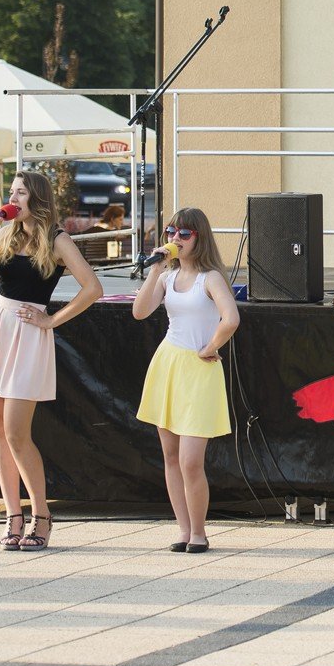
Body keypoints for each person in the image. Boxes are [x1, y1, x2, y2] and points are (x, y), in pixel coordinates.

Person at [0, 172, 103, 552]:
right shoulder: (5, 234)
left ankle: (41, 514)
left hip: (27, 333)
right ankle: (13, 515)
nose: (13, 198)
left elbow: (93, 288)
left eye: (20, 192)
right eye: (11, 192)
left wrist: (52, 320)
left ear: (36, 198)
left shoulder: (57, 239)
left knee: (16, 432)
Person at [131, 207, 239, 553]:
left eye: (184, 234)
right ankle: (183, 529)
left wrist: (211, 347)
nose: (175, 239)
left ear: (199, 237)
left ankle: (199, 531)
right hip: (169, 363)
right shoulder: (167, 278)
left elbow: (231, 318)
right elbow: (139, 311)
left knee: (191, 460)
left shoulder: (211, 278)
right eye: (171, 232)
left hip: (199, 368)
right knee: (171, 456)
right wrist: (156, 269)